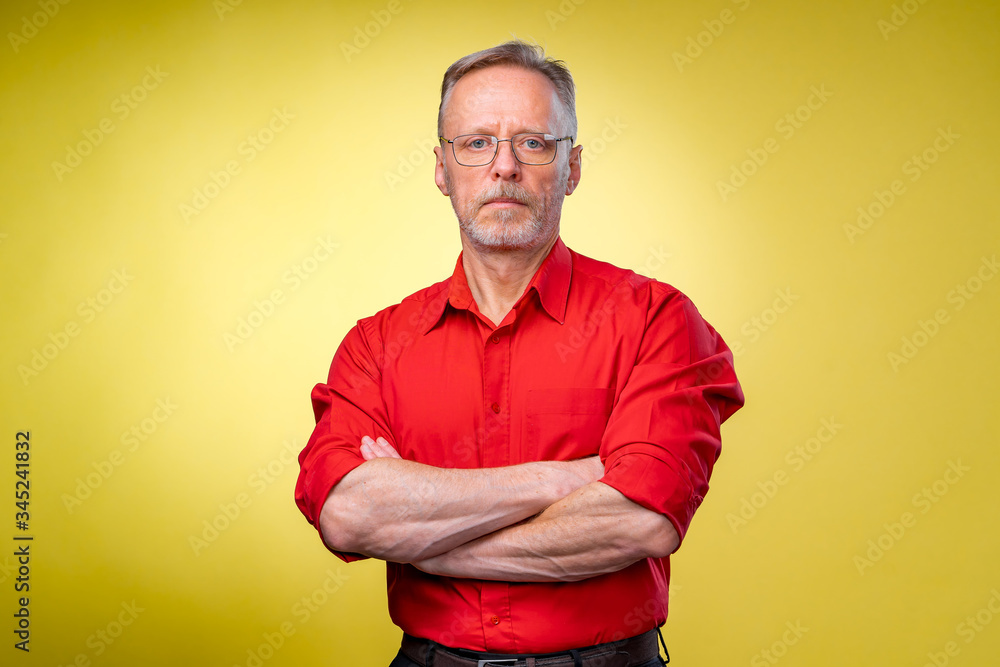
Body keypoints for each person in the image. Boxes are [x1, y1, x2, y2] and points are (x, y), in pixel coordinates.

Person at [295, 40, 744, 667]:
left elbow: (641, 521)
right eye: (476, 143)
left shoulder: (657, 321)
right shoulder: (376, 345)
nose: (503, 166)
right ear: (441, 168)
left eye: (533, 142)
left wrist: (424, 541)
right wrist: (567, 477)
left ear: (574, 167)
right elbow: (349, 514)